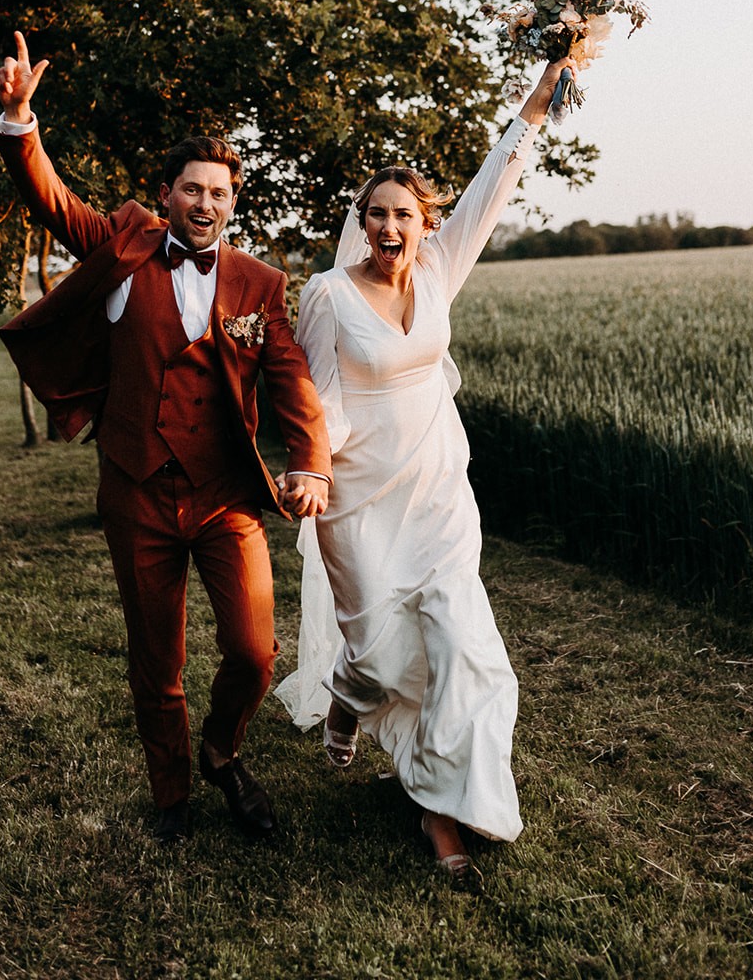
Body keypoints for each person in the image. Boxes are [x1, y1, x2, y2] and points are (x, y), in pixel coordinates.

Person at [0, 32, 332, 847]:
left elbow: (287, 378)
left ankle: (222, 752)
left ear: (232, 201)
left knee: (254, 652)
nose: (204, 204)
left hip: (226, 496)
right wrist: (20, 123)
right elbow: (52, 201)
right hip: (136, 486)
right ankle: (171, 792)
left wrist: (310, 463)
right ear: (166, 194)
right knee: (157, 657)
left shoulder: (261, 284)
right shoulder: (125, 239)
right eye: (190, 190)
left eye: (218, 193)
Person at [275, 58, 572, 885]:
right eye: (375, 215)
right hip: (359, 494)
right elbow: (315, 398)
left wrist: (541, 97)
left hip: (439, 491)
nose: (388, 226)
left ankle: (443, 817)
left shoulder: (441, 268)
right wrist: (310, 471)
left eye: (402, 213)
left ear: (423, 220)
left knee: (462, 648)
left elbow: (495, 183)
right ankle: (345, 703)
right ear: (361, 224)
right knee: (374, 656)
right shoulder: (328, 294)